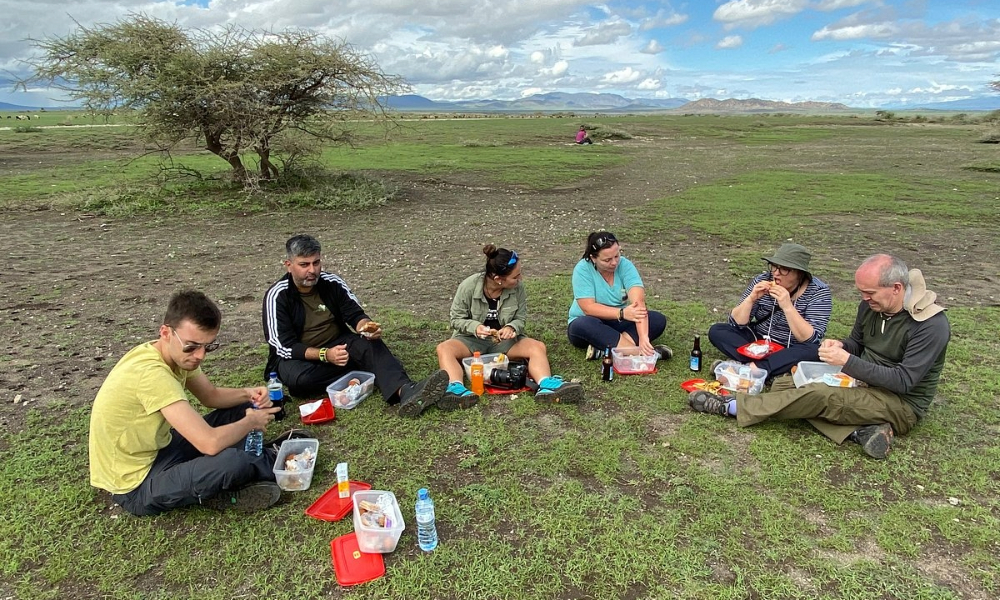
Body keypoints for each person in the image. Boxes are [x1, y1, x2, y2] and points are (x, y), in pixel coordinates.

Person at [688, 254, 950, 460]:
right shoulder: (871, 306)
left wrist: (846, 361)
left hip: (899, 403)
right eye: (861, 292)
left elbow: (904, 381)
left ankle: (732, 407)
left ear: (896, 288)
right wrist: (842, 345)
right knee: (786, 384)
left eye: (870, 293)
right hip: (862, 381)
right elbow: (857, 343)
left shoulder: (930, 324)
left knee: (818, 396)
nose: (864, 298)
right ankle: (859, 431)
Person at [89, 290, 305, 516]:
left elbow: (210, 396)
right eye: (192, 346)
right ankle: (265, 467)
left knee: (244, 408)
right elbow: (209, 443)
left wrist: (248, 394)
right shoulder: (152, 375)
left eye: (208, 346)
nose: (200, 355)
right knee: (232, 461)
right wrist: (250, 423)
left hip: (160, 451)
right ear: (166, 333)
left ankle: (253, 459)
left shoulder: (171, 353)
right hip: (134, 486)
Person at [262, 234, 450, 417]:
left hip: (338, 344)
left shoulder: (332, 283)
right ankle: (371, 368)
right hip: (301, 357)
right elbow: (283, 346)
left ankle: (406, 391)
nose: (312, 270)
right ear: (289, 265)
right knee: (300, 381)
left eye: (316, 262)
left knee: (370, 344)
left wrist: (367, 328)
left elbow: (355, 315)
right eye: (304, 265)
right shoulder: (277, 295)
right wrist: (325, 355)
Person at [436, 244, 584, 405]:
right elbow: (456, 319)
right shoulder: (468, 286)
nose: (520, 279)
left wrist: (512, 327)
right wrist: (475, 327)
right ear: (498, 279)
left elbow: (520, 318)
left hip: (504, 343)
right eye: (515, 277)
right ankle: (456, 389)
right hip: (471, 341)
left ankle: (546, 385)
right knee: (444, 349)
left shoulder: (517, 288)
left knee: (537, 347)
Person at [707, 243, 832, 378]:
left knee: (814, 351)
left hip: (791, 348)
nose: (776, 273)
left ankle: (750, 368)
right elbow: (736, 323)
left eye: (784, 269)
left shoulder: (818, 292)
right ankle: (772, 368)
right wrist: (751, 299)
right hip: (759, 341)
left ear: (799, 273)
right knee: (718, 330)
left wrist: (788, 307)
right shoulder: (763, 280)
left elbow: (810, 338)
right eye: (774, 266)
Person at [567, 231, 673, 361]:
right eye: (607, 260)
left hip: (617, 321)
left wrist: (643, 337)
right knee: (583, 324)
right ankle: (642, 353)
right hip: (590, 321)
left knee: (657, 319)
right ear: (593, 258)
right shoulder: (583, 269)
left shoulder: (625, 265)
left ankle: (607, 350)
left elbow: (638, 303)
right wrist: (621, 313)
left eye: (617, 256)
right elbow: (588, 308)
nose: (614, 263)